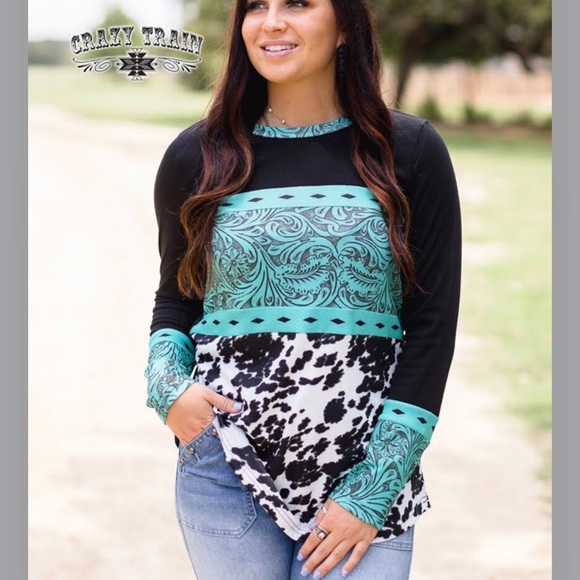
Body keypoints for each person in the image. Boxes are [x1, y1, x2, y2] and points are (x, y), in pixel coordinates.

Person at [144, 0, 461, 578]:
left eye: (296, 3)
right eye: (255, 6)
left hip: (363, 473)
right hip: (227, 465)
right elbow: (177, 297)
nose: (271, 22)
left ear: (344, 26)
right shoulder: (198, 155)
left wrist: (374, 487)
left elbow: (432, 324)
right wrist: (168, 389)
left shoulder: (409, 150)